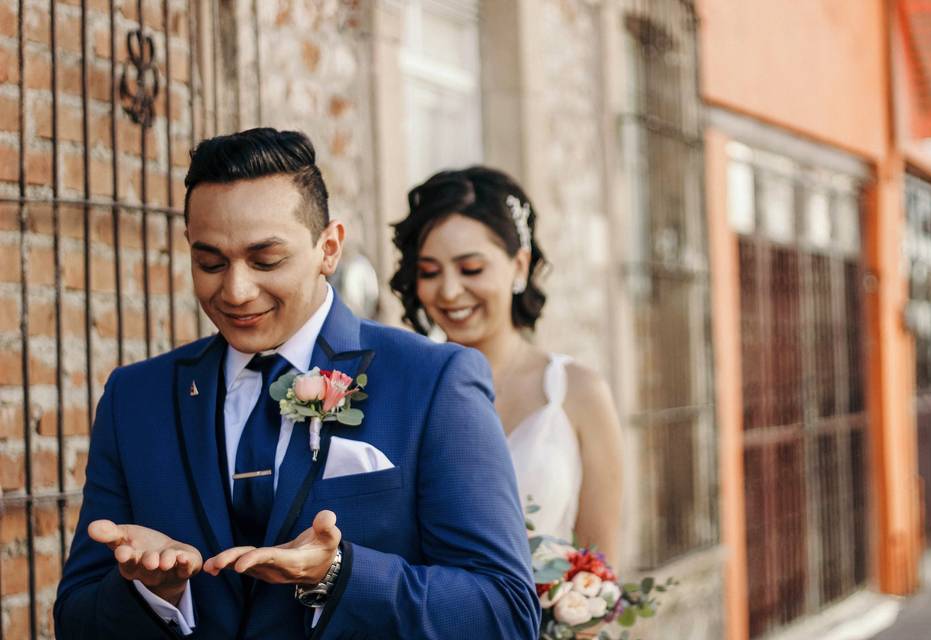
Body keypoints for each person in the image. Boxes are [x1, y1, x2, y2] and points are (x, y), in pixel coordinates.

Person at [54, 129, 539, 639]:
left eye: (266, 260)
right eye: (210, 263)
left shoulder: (434, 381)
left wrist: (338, 574)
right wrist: (153, 591)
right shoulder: (135, 398)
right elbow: (76, 621)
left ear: (328, 248)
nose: (236, 291)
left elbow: (503, 613)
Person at [390, 167, 624, 565]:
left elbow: (599, 572)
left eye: (471, 269)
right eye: (429, 272)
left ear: (518, 265)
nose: (448, 291)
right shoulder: (398, 391)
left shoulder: (580, 392)